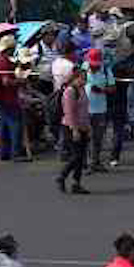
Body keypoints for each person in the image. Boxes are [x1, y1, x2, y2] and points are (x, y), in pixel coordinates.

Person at [56, 67, 92, 195]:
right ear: (75, 78)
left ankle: (76, 183)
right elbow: (69, 113)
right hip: (71, 128)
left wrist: (88, 128)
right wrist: (74, 130)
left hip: (82, 127)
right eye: (82, 78)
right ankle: (62, 176)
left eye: (86, 79)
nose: (85, 81)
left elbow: (85, 111)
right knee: (76, 156)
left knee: (81, 158)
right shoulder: (70, 92)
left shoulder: (81, 90)